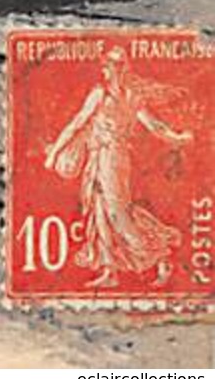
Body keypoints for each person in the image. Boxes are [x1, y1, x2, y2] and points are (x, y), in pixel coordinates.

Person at [44, 47, 191, 287]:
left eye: (120, 65)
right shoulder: (99, 94)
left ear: (124, 69)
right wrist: (56, 152)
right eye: (112, 66)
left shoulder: (132, 97)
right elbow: (77, 123)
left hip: (116, 157)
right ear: (106, 69)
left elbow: (154, 125)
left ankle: (160, 254)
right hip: (97, 156)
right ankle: (109, 270)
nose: (116, 70)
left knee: (117, 211)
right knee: (99, 210)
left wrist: (177, 138)